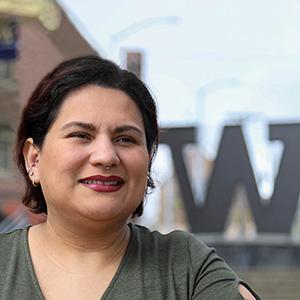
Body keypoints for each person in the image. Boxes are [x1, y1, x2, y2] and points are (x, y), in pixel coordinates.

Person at [0, 56, 260, 299]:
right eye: (81, 135)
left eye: (126, 139)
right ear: (34, 159)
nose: (105, 156)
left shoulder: (185, 267)